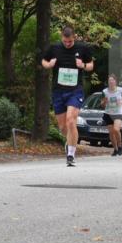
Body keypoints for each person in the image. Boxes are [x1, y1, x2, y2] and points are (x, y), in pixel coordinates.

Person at [41, 26, 94, 167]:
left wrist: (83, 65)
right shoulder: (54, 48)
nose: (67, 44)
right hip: (58, 91)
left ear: (74, 37)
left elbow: (91, 65)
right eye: (65, 41)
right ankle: (69, 142)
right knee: (63, 127)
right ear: (61, 38)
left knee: (71, 120)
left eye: (70, 41)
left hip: (75, 90)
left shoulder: (82, 48)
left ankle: (71, 154)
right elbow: (43, 61)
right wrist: (49, 64)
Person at [101, 74, 122, 156]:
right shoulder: (105, 91)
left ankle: (120, 147)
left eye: (112, 80)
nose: (111, 82)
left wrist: (121, 101)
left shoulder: (120, 90)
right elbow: (102, 104)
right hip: (108, 113)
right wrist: (104, 102)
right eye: (109, 80)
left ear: (115, 81)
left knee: (116, 129)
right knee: (111, 132)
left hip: (118, 113)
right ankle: (115, 149)